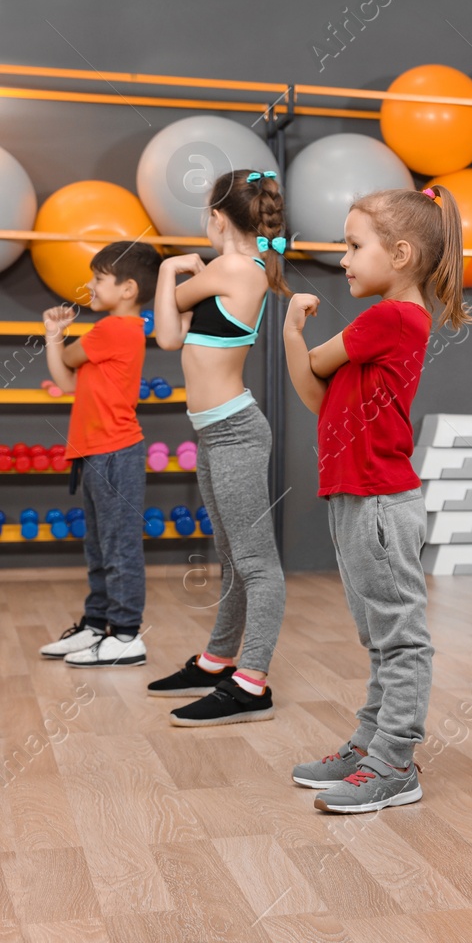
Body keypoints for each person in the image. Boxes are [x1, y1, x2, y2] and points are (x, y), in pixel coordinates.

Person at [282, 185, 472, 814]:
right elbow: (317, 398)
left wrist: (296, 339)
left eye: (353, 245)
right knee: (378, 633)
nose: (343, 259)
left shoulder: (388, 318)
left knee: (400, 636)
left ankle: (395, 761)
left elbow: (314, 364)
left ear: (399, 253)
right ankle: (370, 742)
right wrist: (292, 337)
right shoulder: (382, 324)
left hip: (381, 503)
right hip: (354, 497)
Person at [146, 170, 290, 726]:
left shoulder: (230, 268)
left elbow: (164, 333)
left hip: (233, 431)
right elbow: (177, 327)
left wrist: (167, 267)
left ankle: (250, 684)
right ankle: (216, 662)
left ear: (217, 217)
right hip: (216, 430)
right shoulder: (235, 269)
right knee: (232, 557)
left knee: (255, 563)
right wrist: (186, 277)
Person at [38, 241, 163, 669]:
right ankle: (97, 625)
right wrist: (55, 339)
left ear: (128, 289)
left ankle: (126, 635)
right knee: (99, 545)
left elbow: (68, 361)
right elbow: (70, 383)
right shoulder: (114, 332)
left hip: (114, 454)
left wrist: (58, 338)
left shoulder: (113, 329)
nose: (89, 285)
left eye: (97, 279)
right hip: (97, 454)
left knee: (118, 547)